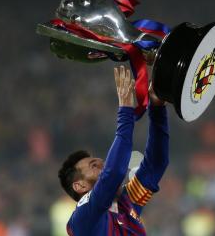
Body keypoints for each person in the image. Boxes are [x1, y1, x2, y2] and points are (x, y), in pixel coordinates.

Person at [58, 65, 169, 236]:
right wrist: (125, 110)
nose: (102, 164)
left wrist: (157, 108)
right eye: (94, 165)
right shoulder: (83, 216)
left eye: (101, 161)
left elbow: (156, 164)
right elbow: (113, 173)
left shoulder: (125, 203)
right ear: (80, 185)